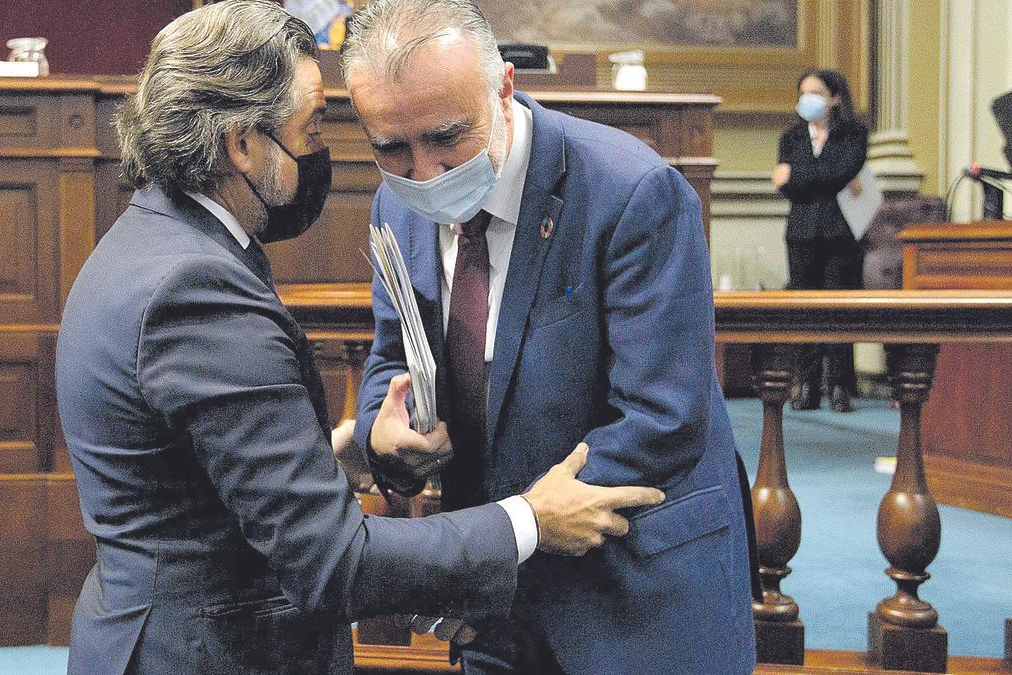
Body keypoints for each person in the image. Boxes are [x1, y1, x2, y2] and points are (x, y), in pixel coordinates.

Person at [55, 2, 665, 673]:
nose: (323, 148)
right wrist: (527, 519)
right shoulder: (193, 288)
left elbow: (199, 475)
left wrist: (350, 451)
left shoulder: (151, 242)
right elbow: (335, 562)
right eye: (311, 127)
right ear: (241, 143)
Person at [343, 1, 757, 673]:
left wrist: (519, 522)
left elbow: (665, 417)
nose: (425, 172)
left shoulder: (633, 192)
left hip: (635, 602)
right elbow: (394, 355)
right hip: (497, 607)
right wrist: (383, 437)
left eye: (448, 136)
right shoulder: (397, 205)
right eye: (392, 147)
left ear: (503, 88)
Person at [773, 68, 869, 413]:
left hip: (840, 234)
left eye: (815, 92)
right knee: (805, 310)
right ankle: (808, 383)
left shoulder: (854, 134)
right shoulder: (791, 137)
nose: (807, 99)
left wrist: (796, 174)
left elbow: (839, 172)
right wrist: (812, 178)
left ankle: (840, 385)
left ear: (834, 98)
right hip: (801, 233)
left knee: (838, 310)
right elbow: (815, 181)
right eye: (803, 93)